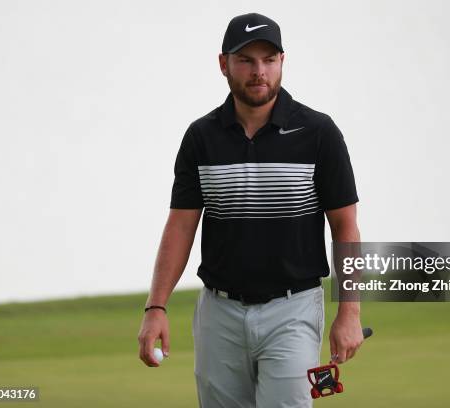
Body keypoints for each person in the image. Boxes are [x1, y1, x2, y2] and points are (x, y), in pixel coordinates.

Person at [138, 12, 363, 407]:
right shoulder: (201, 137)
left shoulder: (318, 133)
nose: (259, 71)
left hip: (293, 310)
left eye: (269, 59)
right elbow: (180, 226)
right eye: (246, 60)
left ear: (282, 61)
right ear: (224, 63)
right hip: (218, 315)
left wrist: (350, 313)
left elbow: (345, 227)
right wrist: (156, 307)